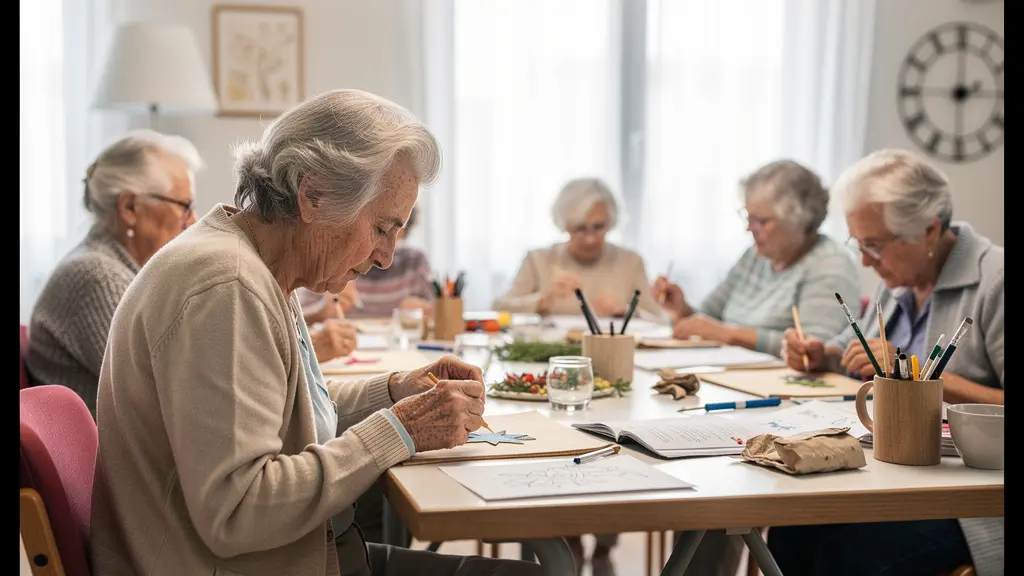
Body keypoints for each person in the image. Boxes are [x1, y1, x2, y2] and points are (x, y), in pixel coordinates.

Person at [89, 89, 541, 576]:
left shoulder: (257, 262)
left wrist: (393, 392)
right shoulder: (227, 285)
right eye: (382, 228)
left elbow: (283, 408)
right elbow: (239, 513)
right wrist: (402, 429)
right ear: (312, 196)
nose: (387, 256)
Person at [774, 149, 1003, 576]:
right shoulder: (900, 280)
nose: (864, 261)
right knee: (791, 530)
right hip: (895, 473)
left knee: (848, 555)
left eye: (873, 246)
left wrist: (918, 372)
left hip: (972, 500)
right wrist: (819, 353)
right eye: (858, 245)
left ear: (929, 231)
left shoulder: (996, 282)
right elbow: (857, 349)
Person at [26, 129, 201, 417]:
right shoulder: (98, 278)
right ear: (130, 207)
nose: (193, 221)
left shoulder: (122, 269)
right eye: (184, 206)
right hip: (112, 460)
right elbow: (172, 391)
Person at [655, 160, 859, 357]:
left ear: (800, 221)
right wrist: (682, 310)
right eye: (748, 217)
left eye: (761, 221)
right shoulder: (754, 256)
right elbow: (708, 319)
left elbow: (815, 348)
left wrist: (731, 335)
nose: (749, 228)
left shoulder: (830, 264)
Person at [494, 177, 661, 319]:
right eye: (580, 228)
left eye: (598, 227)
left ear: (611, 222)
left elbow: (658, 319)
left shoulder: (631, 262)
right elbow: (499, 309)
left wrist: (624, 311)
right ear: (563, 224)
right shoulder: (538, 260)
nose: (590, 239)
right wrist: (543, 301)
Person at [300, 205, 434, 322]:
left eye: (396, 231)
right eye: (381, 230)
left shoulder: (415, 263)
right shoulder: (332, 260)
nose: (384, 260)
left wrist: (427, 310)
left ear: (405, 232)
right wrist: (322, 311)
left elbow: (440, 314)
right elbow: (297, 321)